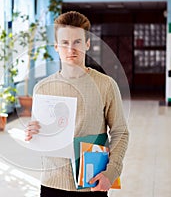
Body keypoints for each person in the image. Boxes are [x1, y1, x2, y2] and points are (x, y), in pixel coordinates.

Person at [25, 11, 129, 197]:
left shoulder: (106, 85)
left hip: (92, 181)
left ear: (87, 44)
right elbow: (42, 131)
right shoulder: (43, 88)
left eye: (77, 42)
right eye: (64, 43)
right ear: (56, 46)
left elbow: (120, 132)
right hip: (52, 183)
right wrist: (32, 131)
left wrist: (111, 172)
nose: (71, 49)